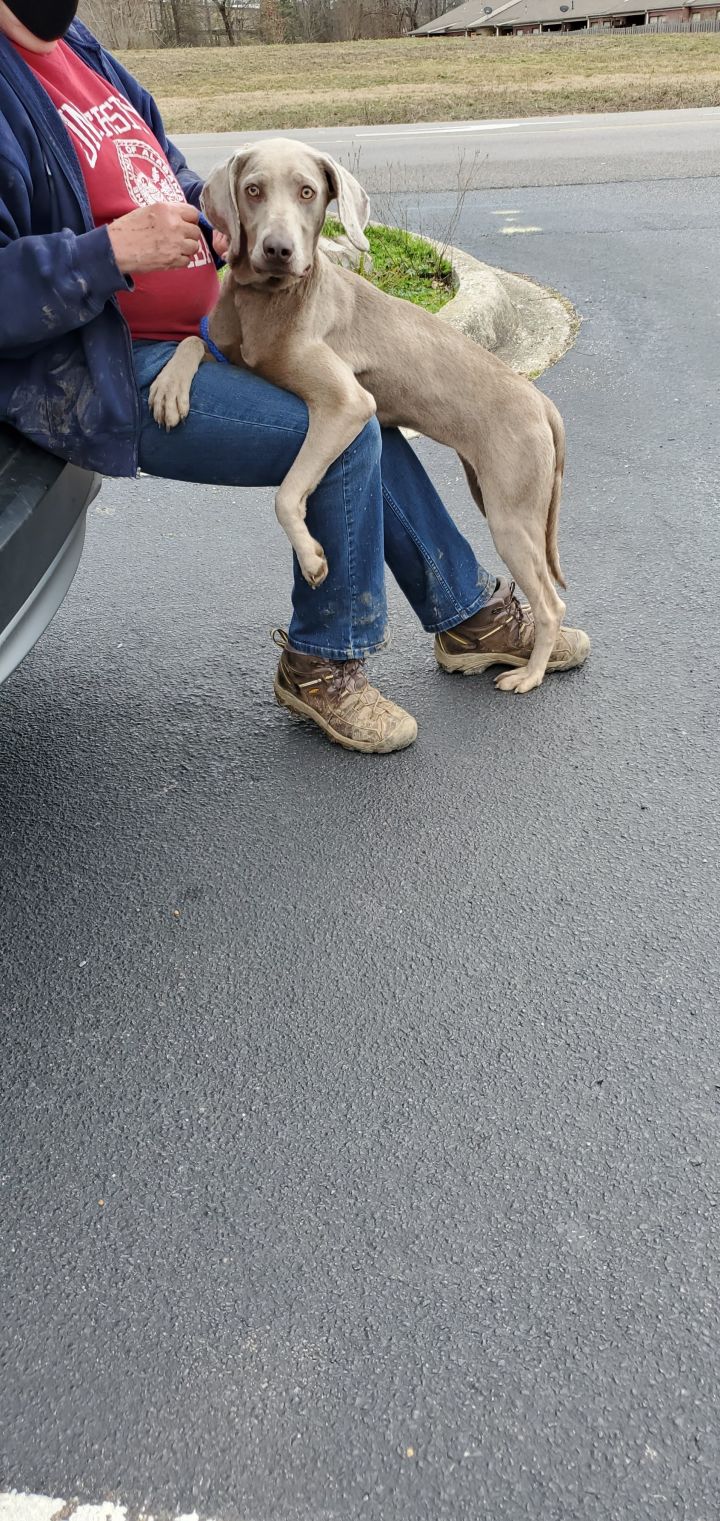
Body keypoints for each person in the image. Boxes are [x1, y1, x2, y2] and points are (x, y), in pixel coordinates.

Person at [0, 1, 589, 755]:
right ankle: (323, 662)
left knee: (352, 406)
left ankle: (466, 613)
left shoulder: (81, 51)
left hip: (207, 324)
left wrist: (230, 222)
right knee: (342, 437)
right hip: (115, 367)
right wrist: (106, 253)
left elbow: (168, 172)